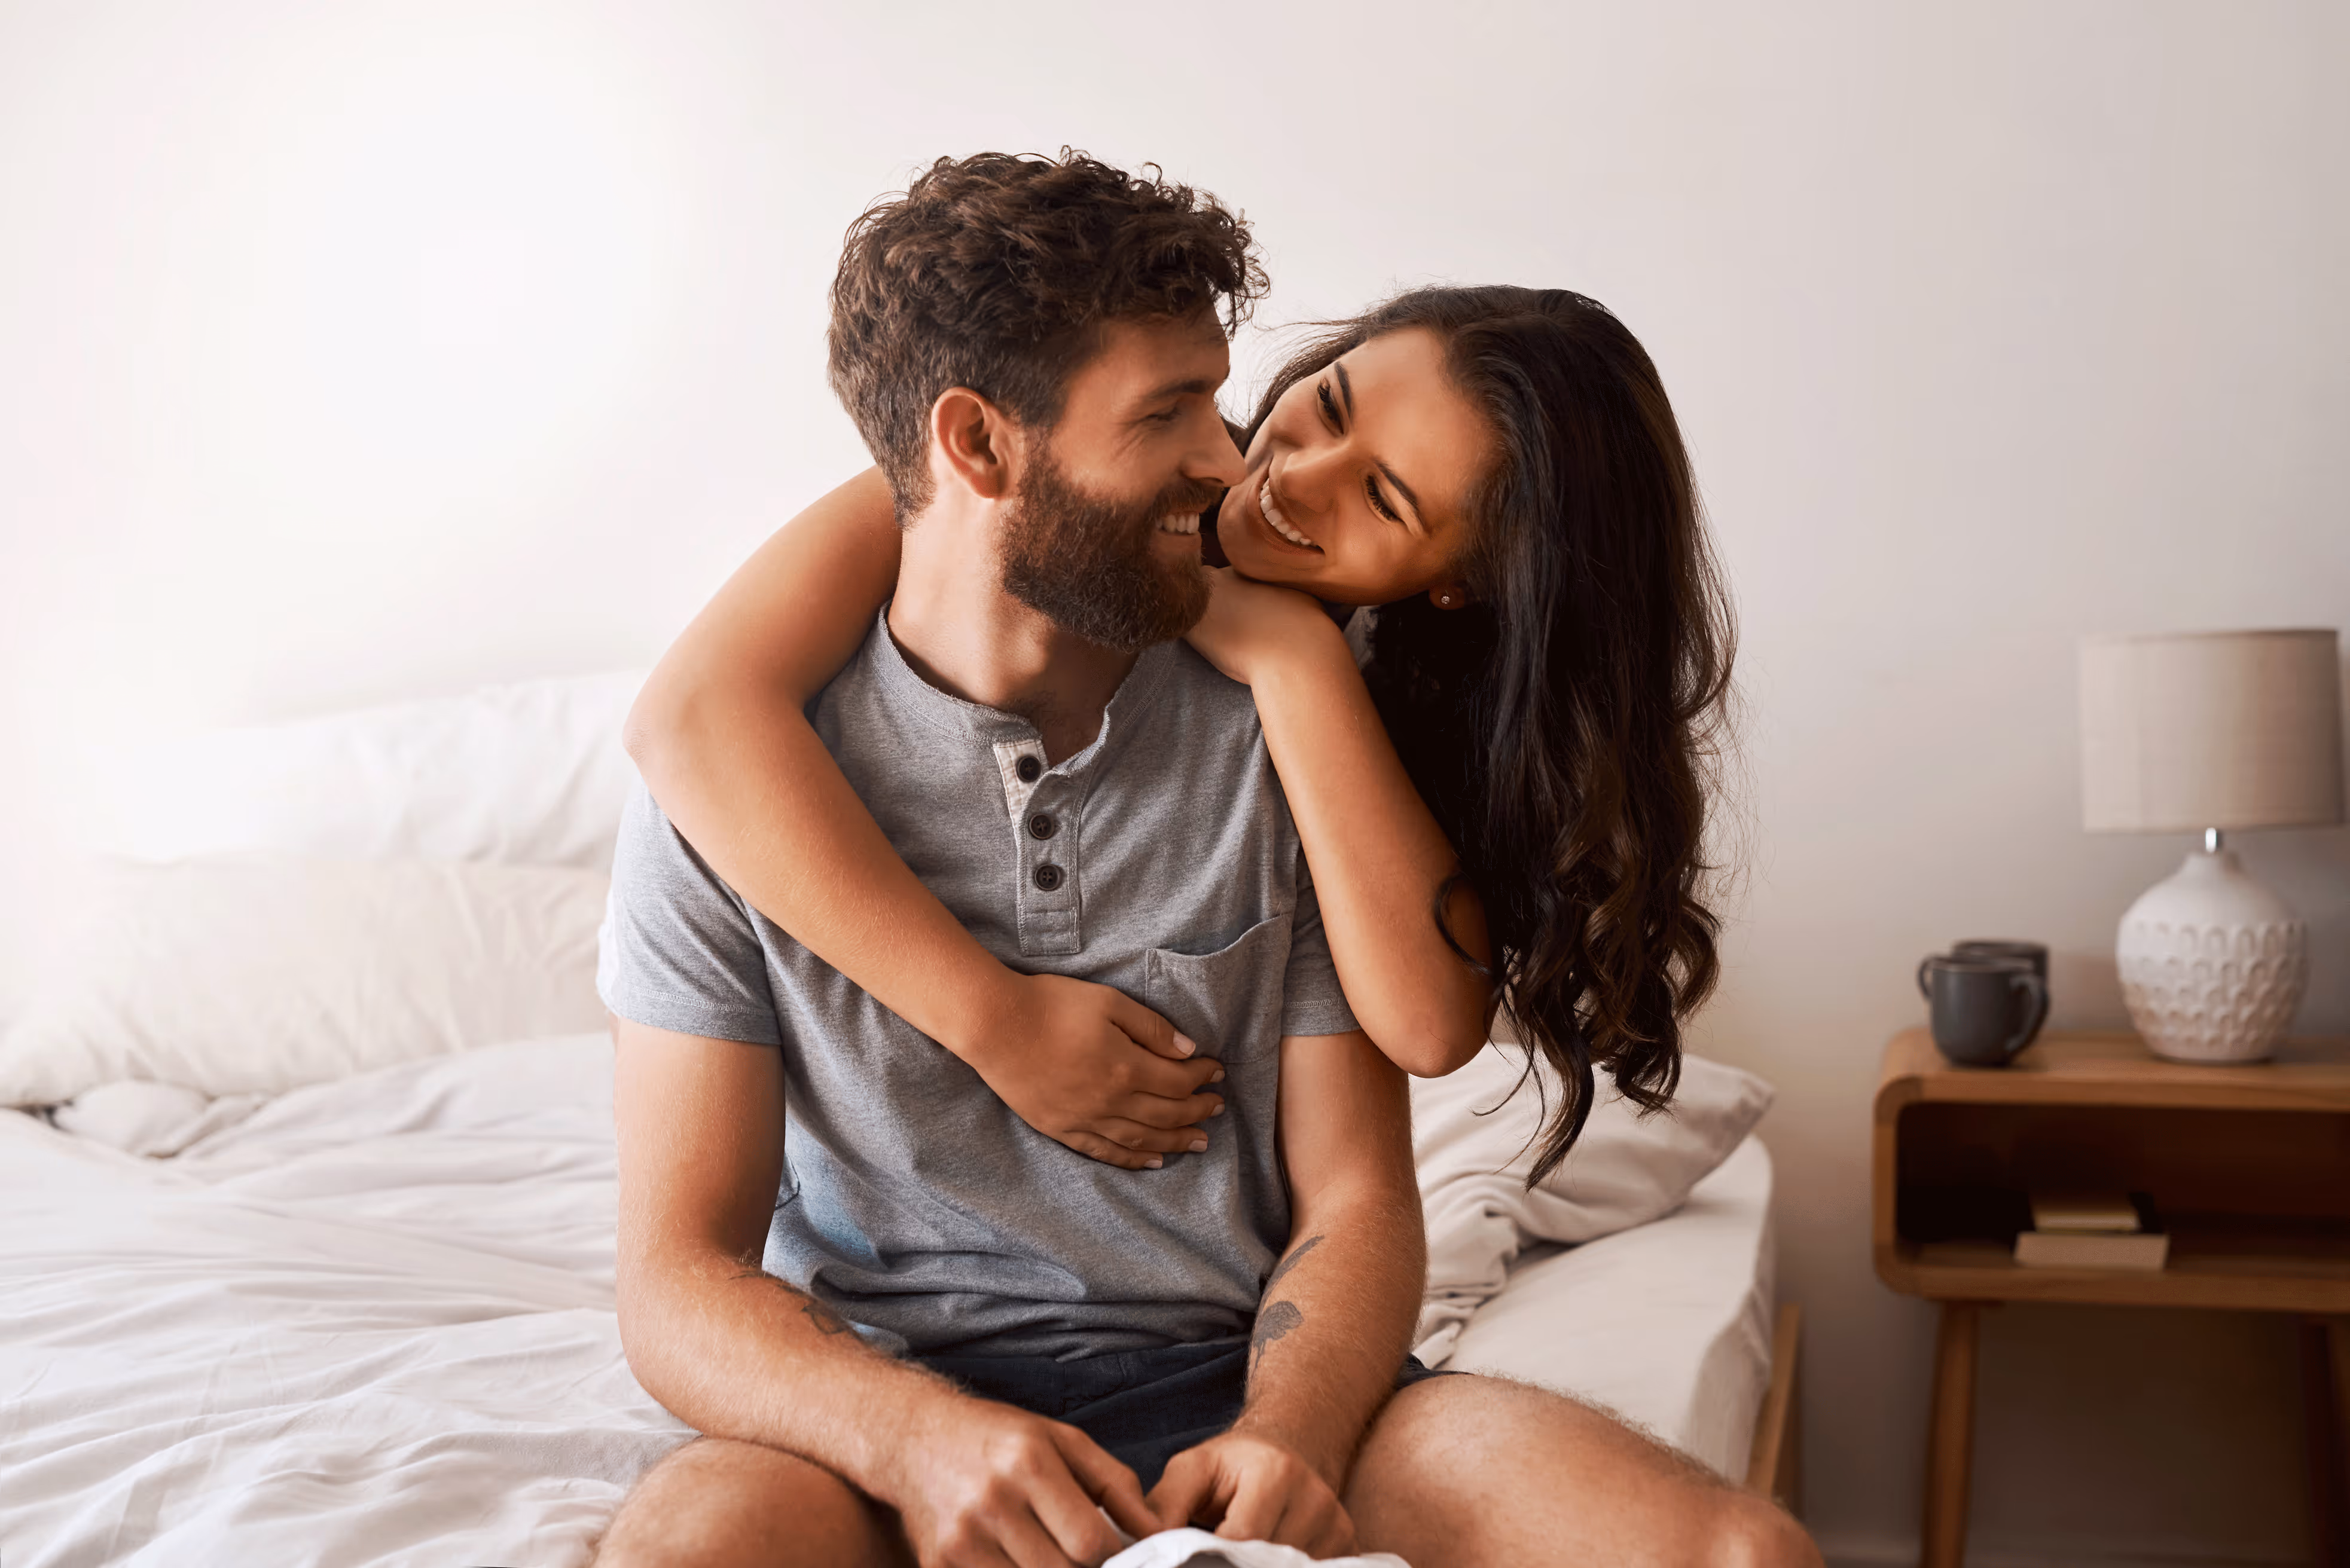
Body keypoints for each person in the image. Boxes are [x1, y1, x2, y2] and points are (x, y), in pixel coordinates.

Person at [595, 150, 1815, 1568]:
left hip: (1231, 1384)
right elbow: (677, 1277)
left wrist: (1287, 1432)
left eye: (1220, 400)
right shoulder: (747, 767)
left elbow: (1372, 1167)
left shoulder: (1308, 749)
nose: (1244, 460)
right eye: (1179, 412)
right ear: (979, 447)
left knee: (1741, 1556)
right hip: (872, 1415)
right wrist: (915, 1435)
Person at [625, 270, 1736, 1194]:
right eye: (1332, 405)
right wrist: (999, 1023)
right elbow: (688, 716)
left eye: (1384, 502)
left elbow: (1428, 1027)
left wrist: (1289, 659)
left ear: (1465, 586)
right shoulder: (1036, 484)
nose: (1291, 478)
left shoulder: (1372, 684)